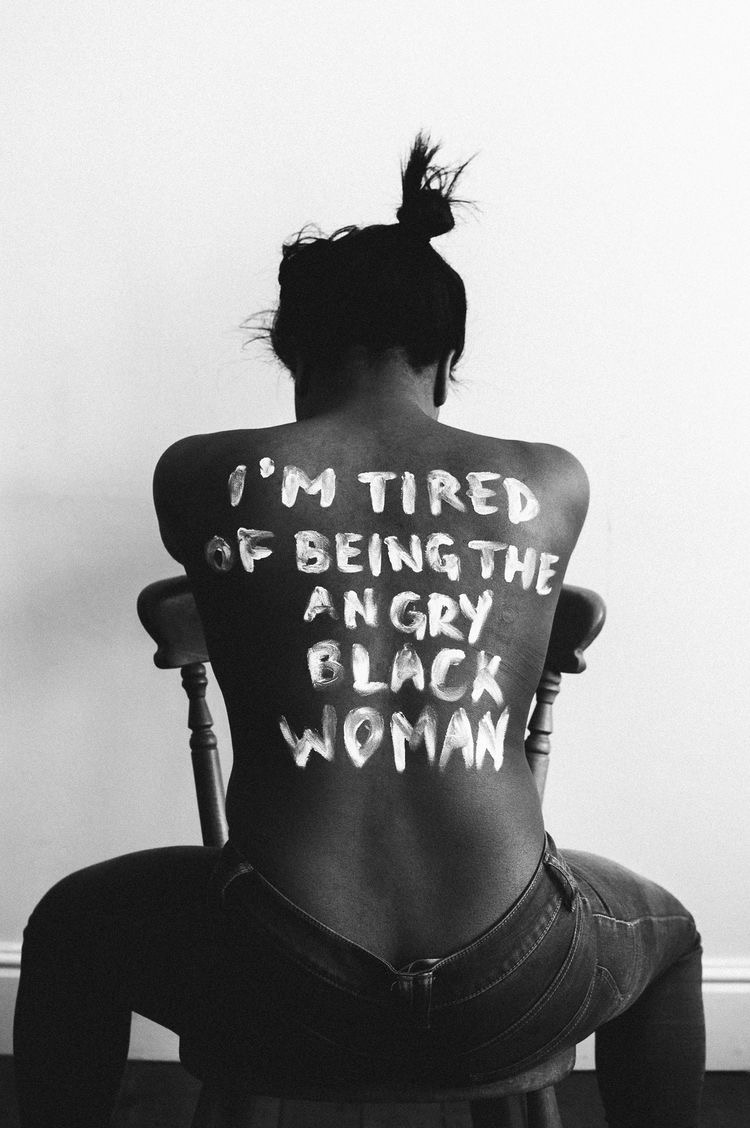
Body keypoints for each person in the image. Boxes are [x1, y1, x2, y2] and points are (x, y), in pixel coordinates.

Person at [14, 134, 704, 1127]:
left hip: (278, 973)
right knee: (671, 935)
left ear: (292, 352)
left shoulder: (201, 474)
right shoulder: (550, 482)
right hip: (512, 978)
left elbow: (253, 588)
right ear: (447, 362)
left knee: (69, 925)